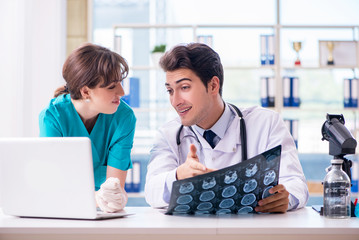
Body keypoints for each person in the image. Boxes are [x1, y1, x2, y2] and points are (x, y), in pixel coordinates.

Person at [144, 43, 309, 213]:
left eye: (184, 87)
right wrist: (179, 176)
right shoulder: (168, 134)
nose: (175, 101)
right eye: (170, 91)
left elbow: (296, 183)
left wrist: (285, 198)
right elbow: (151, 191)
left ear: (213, 86)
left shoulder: (266, 123)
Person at [39, 43, 136, 213]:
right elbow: (53, 186)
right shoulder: (53, 117)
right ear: (86, 92)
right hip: (60, 211)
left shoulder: (124, 117)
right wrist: (98, 198)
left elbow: (115, 189)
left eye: (120, 83)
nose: (122, 92)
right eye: (112, 86)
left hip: (103, 213)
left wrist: (116, 198)